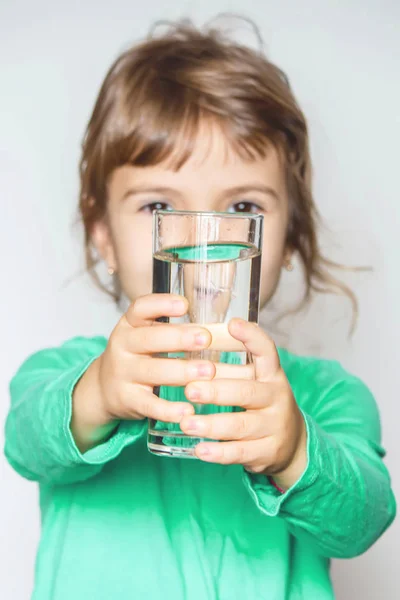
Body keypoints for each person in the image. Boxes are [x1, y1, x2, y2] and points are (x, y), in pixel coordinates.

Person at [4, 18, 396, 600]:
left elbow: (362, 521)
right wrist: (97, 395)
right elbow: (25, 442)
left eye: (242, 205)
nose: (204, 242)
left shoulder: (326, 394)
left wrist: (293, 450)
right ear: (103, 236)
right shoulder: (65, 373)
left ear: (287, 241)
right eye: (159, 204)